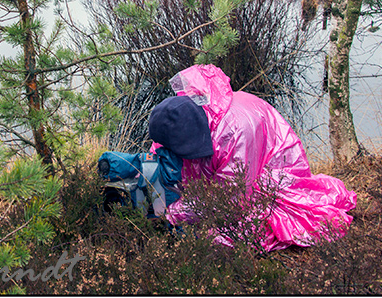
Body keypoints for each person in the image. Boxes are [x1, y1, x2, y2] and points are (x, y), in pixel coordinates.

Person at [147, 64, 356, 251]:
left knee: (225, 236)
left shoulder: (235, 132)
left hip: (270, 164)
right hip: (239, 158)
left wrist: (172, 213)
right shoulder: (176, 121)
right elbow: (157, 155)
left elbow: (231, 195)